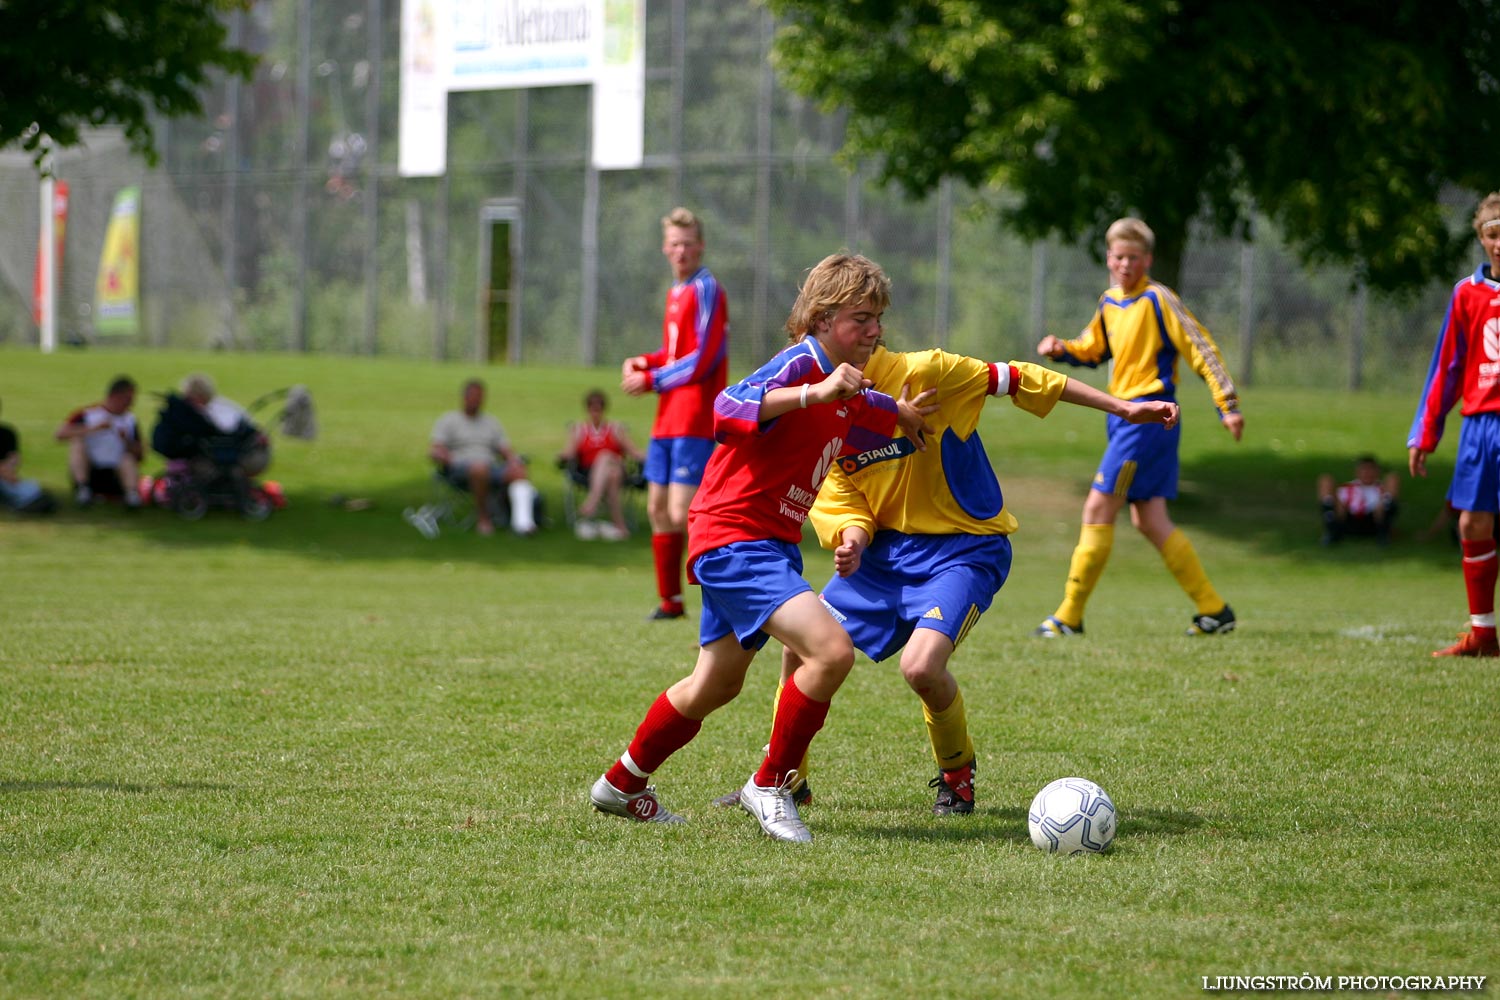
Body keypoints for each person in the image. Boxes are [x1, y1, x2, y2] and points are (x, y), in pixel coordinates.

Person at [713, 345, 1179, 817]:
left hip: (964, 550)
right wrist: (852, 540)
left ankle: (957, 773)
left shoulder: (927, 372)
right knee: (800, 648)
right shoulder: (824, 415)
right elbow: (848, 503)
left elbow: (1018, 376)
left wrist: (1121, 406)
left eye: (867, 322)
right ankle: (786, 780)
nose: (857, 338)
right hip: (884, 558)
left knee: (921, 669)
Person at [590, 252, 934, 843]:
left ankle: (621, 783)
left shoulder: (849, 384)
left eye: (879, 317)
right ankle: (771, 783)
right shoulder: (801, 364)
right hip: (734, 535)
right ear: (822, 319)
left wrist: (901, 412)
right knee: (830, 651)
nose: (875, 329)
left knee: (716, 683)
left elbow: (867, 407)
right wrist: (813, 393)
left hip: (767, 543)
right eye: (861, 317)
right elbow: (726, 408)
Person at [1033, 217, 1244, 639]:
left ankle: (1069, 617)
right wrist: (1061, 350)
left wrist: (1228, 404)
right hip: (1122, 417)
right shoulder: (1110, 302)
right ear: (1109, 259)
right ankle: (1214, 610)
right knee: (1149, 519)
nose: (1125, 264)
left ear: (1146, 259)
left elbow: (1200, 347)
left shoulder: (1158, 298)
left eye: (1133, 257)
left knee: (1097, 508)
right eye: (1118, 256)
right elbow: (1093, 349)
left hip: (1149, 417)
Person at [622, 207, 729, 619]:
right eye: (674, 243)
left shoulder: (707, 289)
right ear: (665, 248)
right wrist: (645, 362)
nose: (681, 250)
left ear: (700, 246)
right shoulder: (676, 290)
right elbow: (673, 355)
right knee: (657, 510)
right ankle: (670, 602)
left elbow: (704, 357)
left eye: (688, 243)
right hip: (667, 417)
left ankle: (717, 603)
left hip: (695, 417)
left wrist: (652, 379)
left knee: (686, 512)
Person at [1408, 191, 1500, 658]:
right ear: (1481, 238)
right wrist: (1424, 434)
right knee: (1472, 523)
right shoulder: (1467, 294)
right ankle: (1483, 635)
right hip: (1480, 426)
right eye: (1492, 233)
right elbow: (1446, 367)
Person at [429, 378, 539, 537]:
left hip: (491, 466)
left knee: (519, 471)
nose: (477, 401)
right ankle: (483, 517)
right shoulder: (449, 420)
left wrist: (513, 460)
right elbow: (436, 448)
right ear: (464, 397)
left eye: (480, 397)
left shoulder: (491, 422)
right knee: (479, 468)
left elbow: (505, 449)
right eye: (473, 396)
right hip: (460, 468)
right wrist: (444, 458)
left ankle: (522, 524)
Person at [558, 388, 645, 542]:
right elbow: (569, 453)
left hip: (617, 465)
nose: (595, 412)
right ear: (587, 409)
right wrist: (562, 456)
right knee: (612, 475)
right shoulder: (579, 429)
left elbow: (634, 452)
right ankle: (620, 526)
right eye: (592, 408)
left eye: (599, 408)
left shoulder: (615, 429)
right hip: (590, 472)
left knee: (605, 456)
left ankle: (593, 501)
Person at [54, 375, 143, 508]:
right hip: (91, 469)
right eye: (128, 400)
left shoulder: (130, 420)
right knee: (77, 443)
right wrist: (92, 429)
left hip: (116, 472)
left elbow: (140, 454)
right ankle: (83, 488)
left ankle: (131, 494)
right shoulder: (89, 414)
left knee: (127, 458)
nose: (130, 405)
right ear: (115, 396)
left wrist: (126, 441)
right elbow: (60, 434)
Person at [178, 373, 271, 478]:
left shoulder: (218, 412)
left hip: (250, 456)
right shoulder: (220, 405)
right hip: (249, 452)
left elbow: (227, 437)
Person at [1318, 454, 1399, 545]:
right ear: (1357, 472)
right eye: (1364, 469)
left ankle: (1383, 534)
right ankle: (1332, 531)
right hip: (1349, 520)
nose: (1367, 473)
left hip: (1374, 521)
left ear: (1377, 471)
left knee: (1392, 479)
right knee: (1326, 480)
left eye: (1371, 469)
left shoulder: (1381, 489)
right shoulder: (1348, 488)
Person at [0, 401, 56, 514]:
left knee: (30, 488)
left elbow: (14, 457)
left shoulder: (7, 433)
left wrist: (8, 472)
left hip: (5, 477)